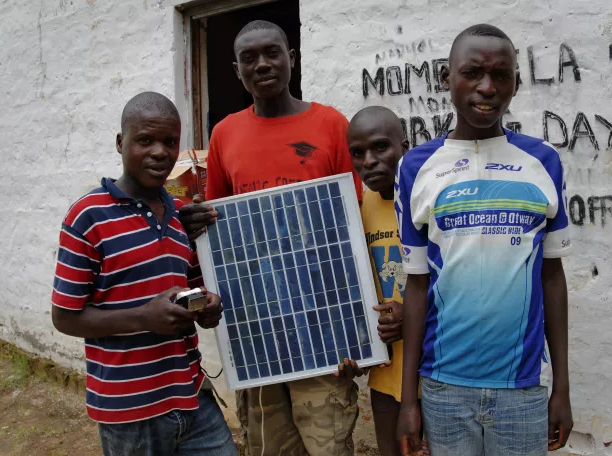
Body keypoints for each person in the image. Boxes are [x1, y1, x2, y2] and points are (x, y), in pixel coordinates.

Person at [180, 20, 363, 456]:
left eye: (272, 53)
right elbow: (220, 230)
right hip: (255, 324)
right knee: (268, 446)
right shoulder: (225, 133)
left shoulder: (331, 124)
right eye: (249, 58)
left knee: (328, 444)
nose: (262, 64)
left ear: (291, 58)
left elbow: (351, 225)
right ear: (236, 70)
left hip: (322, 320)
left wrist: (357, 330)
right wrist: (196, 223)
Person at [396, 24, 574, 456]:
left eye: (501, 75)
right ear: (446, 78)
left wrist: (562, 389)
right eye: (472, 72)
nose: (487, 87)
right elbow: (417, 286)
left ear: (515, 81)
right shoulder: (416, 167)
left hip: (523, 390)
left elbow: (552, 278)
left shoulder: (542, 162)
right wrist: (409, 399)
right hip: (442, 389)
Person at [51, 92, 238, 456]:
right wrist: (145, 317)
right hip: (129, 410)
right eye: (144, 140)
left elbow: (197, 294)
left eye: (170, 142)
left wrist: (209, 307)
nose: (159, 152)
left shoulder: (182, 216)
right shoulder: (88, 217)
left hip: (191, 394)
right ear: (121, 143)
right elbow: (65, 317)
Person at [342, 106, 420, 456]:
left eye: (380, 148)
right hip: (386, 373)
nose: (368, 161)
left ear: (404, 146)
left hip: (433, 372)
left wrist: (413, 314)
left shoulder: (426, 201)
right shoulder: (360, 207)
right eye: (357, 153)